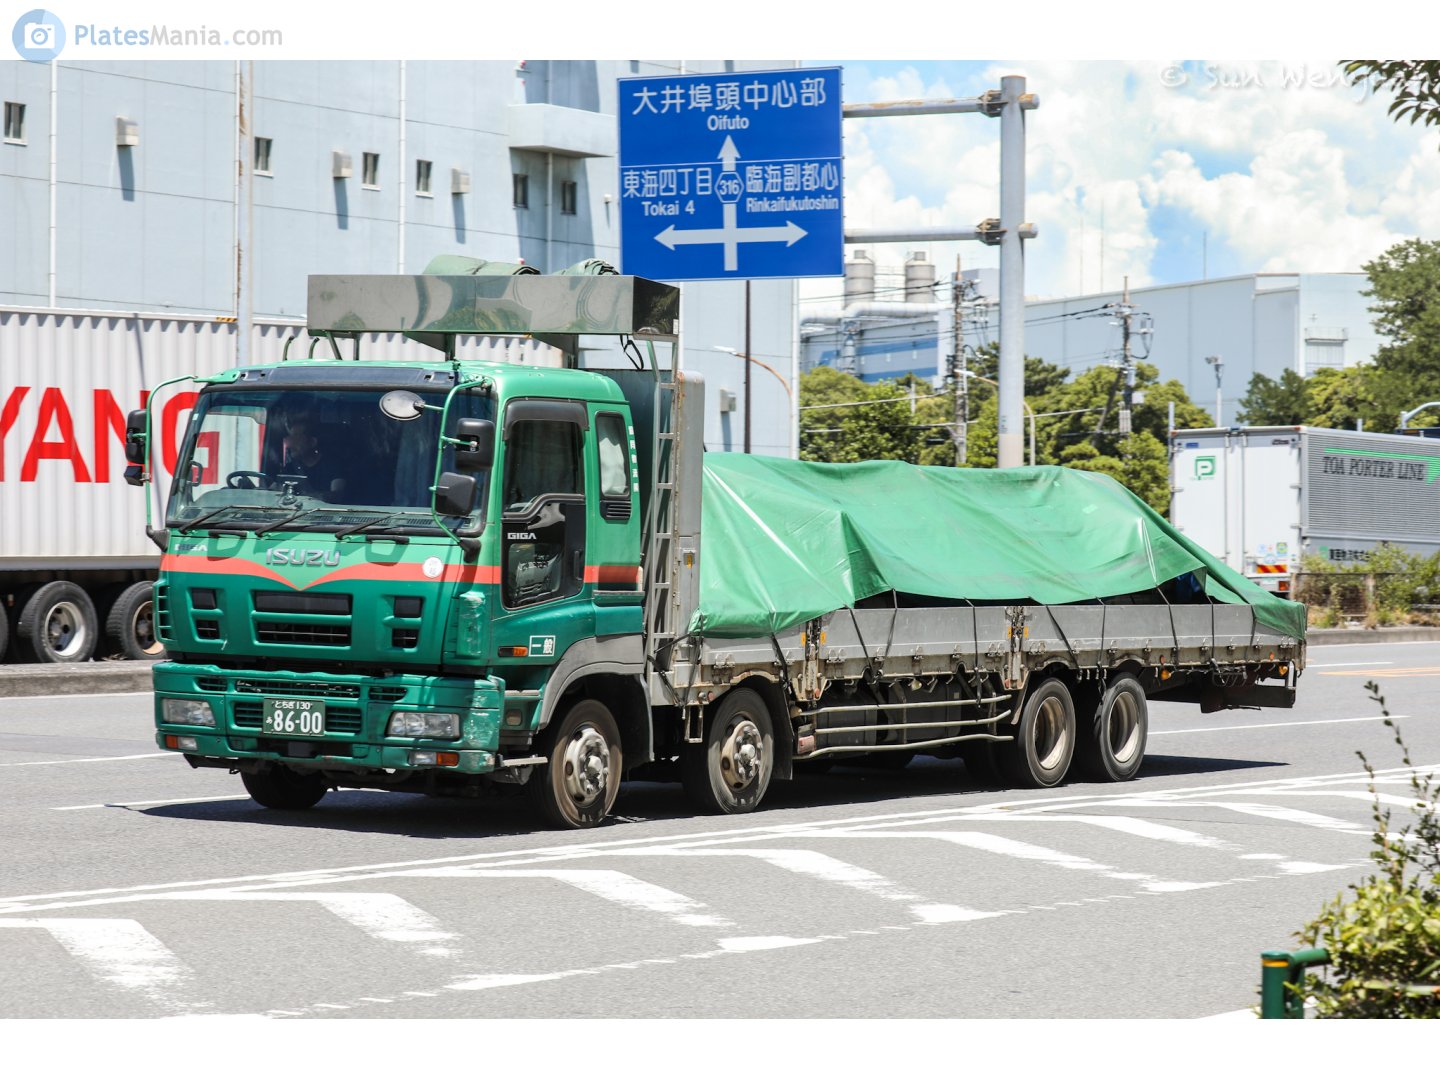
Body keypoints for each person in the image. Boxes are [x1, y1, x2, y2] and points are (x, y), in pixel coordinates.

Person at [277, 408, 346, 498]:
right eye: (291, 438)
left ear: (312, 442)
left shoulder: (333, 466)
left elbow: (337, 494)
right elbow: (273, 490)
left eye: (297, 438)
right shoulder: (289, 468)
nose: (291, 443)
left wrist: (310, 497)